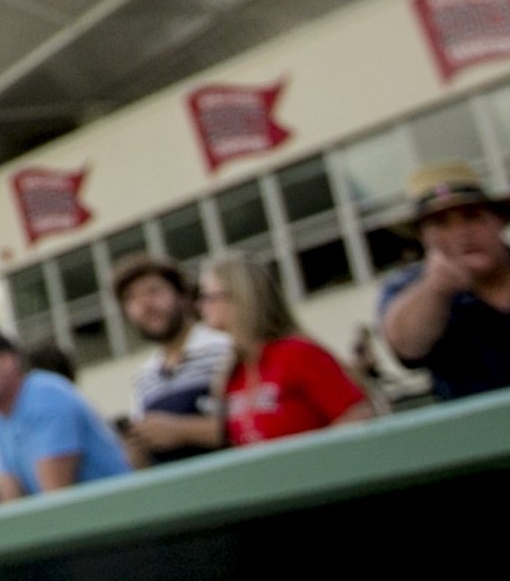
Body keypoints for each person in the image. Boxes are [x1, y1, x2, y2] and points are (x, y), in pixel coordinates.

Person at [202, 253, 372, 445]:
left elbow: (356, 417)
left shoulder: (296, 353)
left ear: (238, 298)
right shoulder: (235, 370)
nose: (202, 306)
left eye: (208, 296)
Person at [376, 162, 510, 401]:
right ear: (422, 236)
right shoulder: (411, 287)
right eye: (440, 223)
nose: (461, 233)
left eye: (471, 217)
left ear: (498, 220)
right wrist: (436, 289)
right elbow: (406, 346)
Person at [0, 327, 129, 497]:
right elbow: (11, 499)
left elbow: (57, 498)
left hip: (123, 522)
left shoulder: (45, 395)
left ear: (8, 360)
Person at [111, 254, 230, 464]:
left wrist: (181, 430)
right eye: (132, 298)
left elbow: (253, 425)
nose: (145, 305)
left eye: (153, 291)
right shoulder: (144, 378)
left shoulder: (224, 348)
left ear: (182, 296)